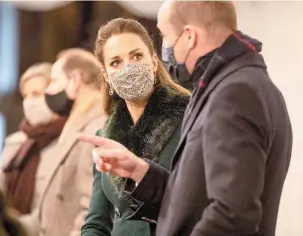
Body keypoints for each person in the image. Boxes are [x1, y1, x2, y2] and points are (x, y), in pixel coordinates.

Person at [79, 1, 293, 236]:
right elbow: (193, 199)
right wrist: (142, 172)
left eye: (166, 36)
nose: (166, 48)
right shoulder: (236, 86)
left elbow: (232, 214)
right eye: (116, 62)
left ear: (189, 36)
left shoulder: (235, 92)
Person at [81, 18, 190, 236]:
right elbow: (97, 223)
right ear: (106, 76)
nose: (128, 67)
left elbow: (198, 202)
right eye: (116, 62)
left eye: (136, 56)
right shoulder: (106, 137)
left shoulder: (189, 118)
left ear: (153, 60)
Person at [37, 48, 108, 236]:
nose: (49, 90)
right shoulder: (79, 123)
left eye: (54, 81)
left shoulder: (96, 128)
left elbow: (92, 206)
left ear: (75, 80)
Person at [0, 63, 66, 234]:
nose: (29, 102)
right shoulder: (15, 144)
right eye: (25, 95)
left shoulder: (69, 141)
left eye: (36, 94)